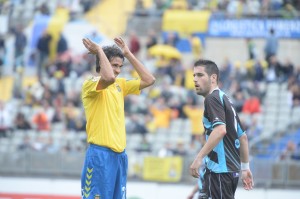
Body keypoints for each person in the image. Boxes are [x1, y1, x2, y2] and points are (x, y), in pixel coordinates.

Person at [80, 37, 155, 199]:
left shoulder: (120, 85)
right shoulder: (90, 84)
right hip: (100, 155)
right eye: (115, 65)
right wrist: (100, 50)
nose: (118, 70)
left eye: (120, 66)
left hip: (120, 157)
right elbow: (108, 78)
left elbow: (149, 79)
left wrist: (127, 54)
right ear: (102, 63)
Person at [189, 59, 254, 199]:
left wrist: (199, 157)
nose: (195, 79)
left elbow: (220, 130)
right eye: (194, 75)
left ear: (213, 78)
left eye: (200, 75)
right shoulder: (225, 98)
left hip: (219, 172)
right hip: (230, 171)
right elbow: (242, 137)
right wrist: (245, 168)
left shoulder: (212, 99)